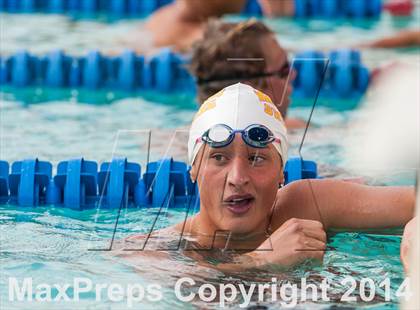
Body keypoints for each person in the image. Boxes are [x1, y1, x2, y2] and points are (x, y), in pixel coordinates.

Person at [121, 83, 415, 271]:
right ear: (194, 169)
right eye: (219, 157)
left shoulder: (306, 204)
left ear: (281, 174)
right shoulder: (157, 251)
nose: (237, 177)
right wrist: (260, 261)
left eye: (257, 158)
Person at [189, 19, 305, 129]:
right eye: (284, 70)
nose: (293, 74)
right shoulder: (297, 136)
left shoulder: (185, 143)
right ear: (248, 89)